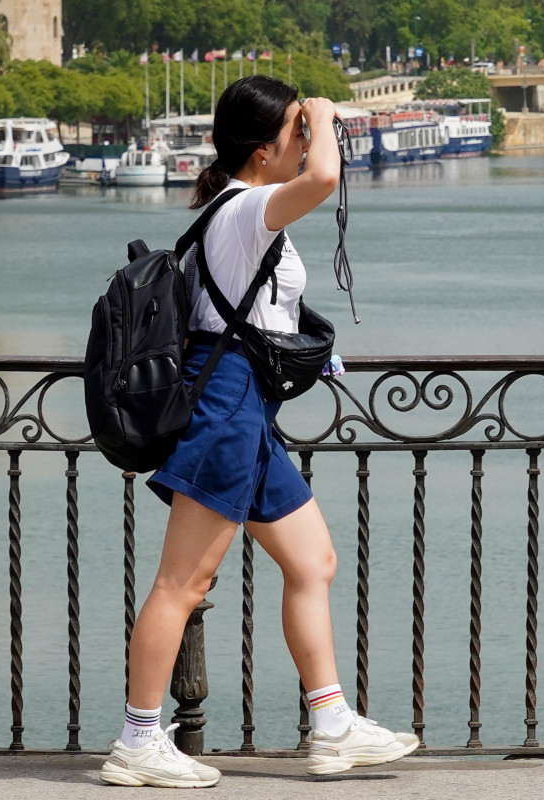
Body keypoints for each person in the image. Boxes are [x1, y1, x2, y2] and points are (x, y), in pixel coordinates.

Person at [99, 75, 419, 789]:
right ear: (265, 149)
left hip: (249, 409)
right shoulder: (245, 209)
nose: (304, 142)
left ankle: (332, 725)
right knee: (183, 582)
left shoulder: (241, 208)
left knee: (314, 561)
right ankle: (138, 741)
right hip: (227, 407)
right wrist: (328, 118)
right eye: (293, 133)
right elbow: (327, 175)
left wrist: (308, 121)